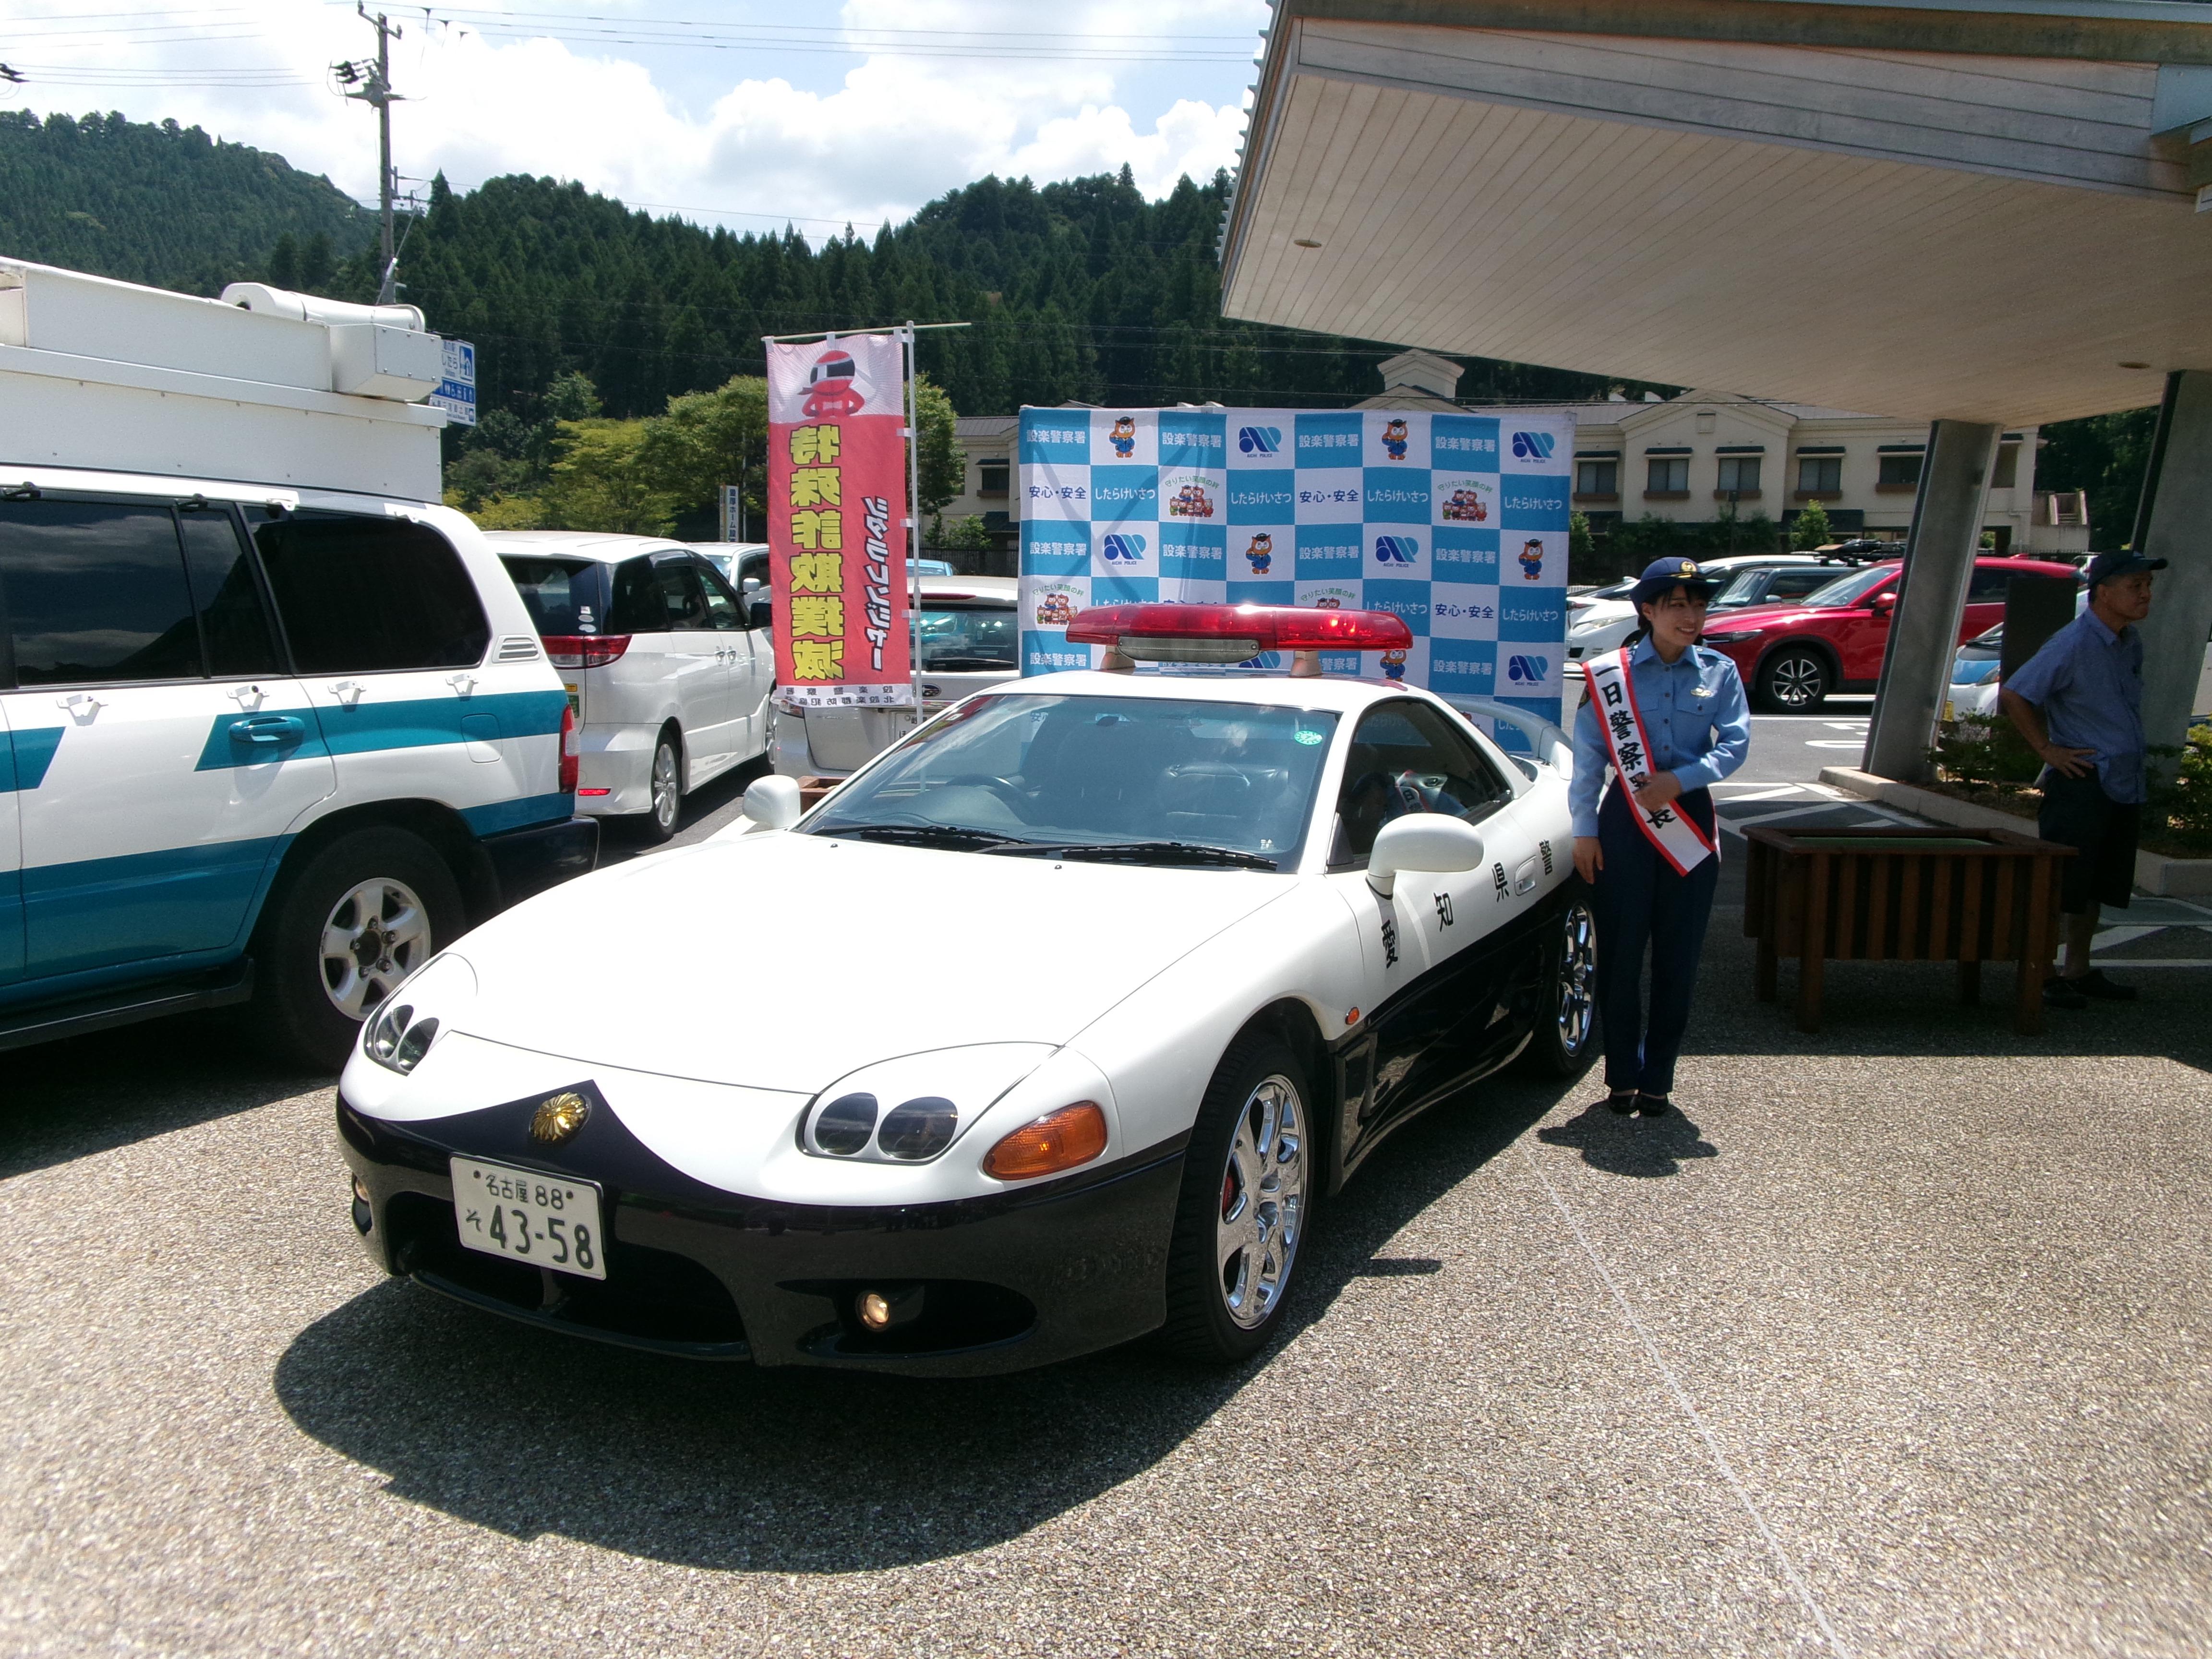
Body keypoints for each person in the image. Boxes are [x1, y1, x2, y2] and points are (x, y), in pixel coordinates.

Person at [1570, 557, 1751, 1117]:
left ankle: (1659, 1082)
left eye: (1698, 604)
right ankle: (1621, 1076)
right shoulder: (1609, 674)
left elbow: (1735, 745)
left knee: (1679, 958)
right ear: (1648, 610)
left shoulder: (1720, 671)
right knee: (1621, 956)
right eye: (1677, 605)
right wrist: (1585, 832)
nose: (1691, 615)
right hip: (1624, 822)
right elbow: (1589, 762)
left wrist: (1681, 779)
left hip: (1689, 820)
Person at [1999, 550, 2165, 1008]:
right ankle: (2042, 973)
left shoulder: (2129, 642)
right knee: (2061, 884)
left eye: (2148, 585)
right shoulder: (2072, 643)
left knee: (2097, 884)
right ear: (2103, 592)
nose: (2146, 594)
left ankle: (2079, 968)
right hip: (2081, 781)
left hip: (2121, 781)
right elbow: (2015, 693)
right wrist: (2047, 750)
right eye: (2136, 586)